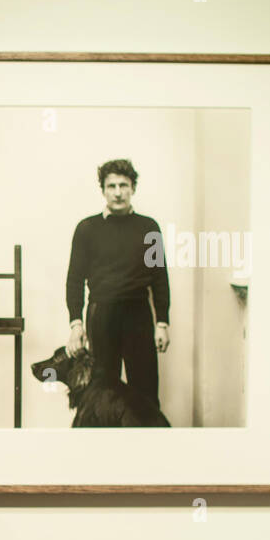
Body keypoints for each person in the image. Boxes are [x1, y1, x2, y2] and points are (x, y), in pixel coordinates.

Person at [65, 159, 170, 408]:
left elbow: (159, 277)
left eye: (124, 185)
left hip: (138, 316)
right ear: (102, 190)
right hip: (101, 315)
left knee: (144, 394)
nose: (118, 192)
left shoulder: (149, 228)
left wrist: (162, 322)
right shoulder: (86, 229)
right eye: (111, 186)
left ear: (133, 188)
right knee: (101, 394)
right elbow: (75, 278)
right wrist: (76, 323)